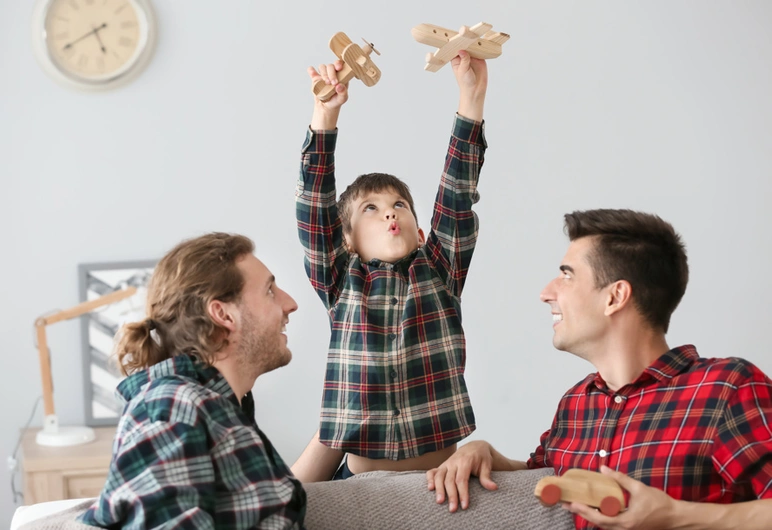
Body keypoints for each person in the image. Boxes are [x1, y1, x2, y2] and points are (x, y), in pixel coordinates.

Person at [426, 209, 772, 529]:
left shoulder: (727, 388)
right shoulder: (576, 403)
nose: (546, 293)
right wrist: (482, 451)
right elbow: (542, 475)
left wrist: (677, 515)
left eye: (566, 275)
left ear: (615, 297)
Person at [292, 50, 490, 481]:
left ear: (421, 232)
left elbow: (457, 193)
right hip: (360, 485)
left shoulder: (439, 269)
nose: (389, 213)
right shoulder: (341, 281)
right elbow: (313, 208)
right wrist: (324, 116)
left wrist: (470, 100)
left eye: (399, 204)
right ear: (347, 241)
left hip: (439, 482)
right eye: (371, 209)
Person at [79, 232, 307, 529]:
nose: (290, 303)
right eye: (269, 290)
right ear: (223, 314)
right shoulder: (171, 406)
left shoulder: (216, 410)